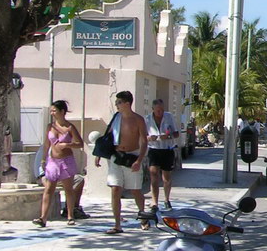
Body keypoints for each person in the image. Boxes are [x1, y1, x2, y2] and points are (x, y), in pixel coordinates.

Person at [94, 90, 149, 235]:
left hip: (132, 157)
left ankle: (143, 216)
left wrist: (139, 160)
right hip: (116, 156)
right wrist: (99, 154)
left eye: (119, 102)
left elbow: (144, 141)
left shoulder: (138, 119)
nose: (117, 105)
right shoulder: (116, 118)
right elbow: (107, 135)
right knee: (115, 188)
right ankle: (117, 224)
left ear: (127, 103)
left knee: (135, 190)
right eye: (116, 103)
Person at [33, 100, 84, 227]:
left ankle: (70, 215)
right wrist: (43, 159)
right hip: (52, 161)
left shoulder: (70, 127)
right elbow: (46, 144)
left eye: (54, 110)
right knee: (49, 188)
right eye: (51, 111)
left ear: (62, 112)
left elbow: (80, 144)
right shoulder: (50, 126)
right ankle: (43, 217)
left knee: (68, 189)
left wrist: (67, 144)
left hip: (66, 161)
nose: (52, 113)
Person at [146, 98, 179, 211]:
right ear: (153, 109)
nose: (160, 112)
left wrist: (168, 136)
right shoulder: (147, 119)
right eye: (157, 110)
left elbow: (176, 133)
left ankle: (166, 199)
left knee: (166, 177)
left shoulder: (169, 117)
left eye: (162, 110)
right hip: (154, 149)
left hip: (167, 149)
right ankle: (154, 201)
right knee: (154, 175)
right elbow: (143, 137)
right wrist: (150, 138)